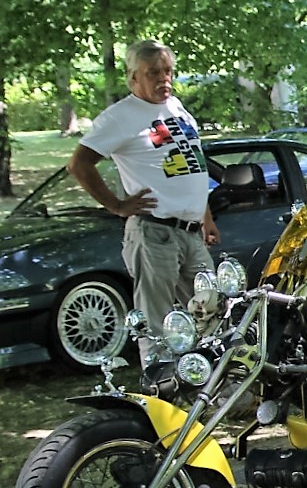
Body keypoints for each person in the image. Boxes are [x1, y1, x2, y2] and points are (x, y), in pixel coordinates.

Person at [69, 39, 219, 368]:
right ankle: (160, 390)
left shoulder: (176, 108)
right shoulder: (121, 116)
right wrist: (117, 206)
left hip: (191, 233)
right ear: (133, 78)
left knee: (214, 309)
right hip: (155, 233)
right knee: (157, 322)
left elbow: (192, 164)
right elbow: (79, 164)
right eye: (153, 73)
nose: (164, 79)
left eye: (168, 71)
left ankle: (211, 384)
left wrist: (204, 215)